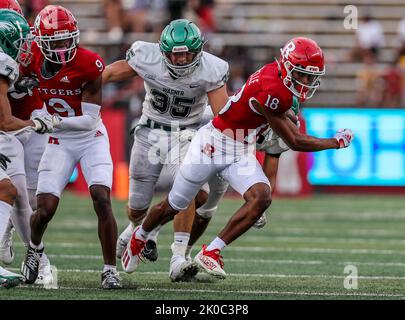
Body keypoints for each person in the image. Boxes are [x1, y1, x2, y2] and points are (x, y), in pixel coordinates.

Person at [121, 37, 354, 279]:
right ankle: (140, 235)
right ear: (286, 66)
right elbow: (295, 140)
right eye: (302, 75)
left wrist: (285, 117)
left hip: (240, 148)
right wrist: (335, 142)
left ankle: (211, 252)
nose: (306, 82)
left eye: (310, 76)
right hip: (213, 143)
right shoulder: (274, 90)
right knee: (174, 204)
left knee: (261, 196)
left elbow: (275, 147)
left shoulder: (280, 85)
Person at [102, 19, 229, 281]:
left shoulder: (211, 69)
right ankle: (136, 230)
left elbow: (223, 116)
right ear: (163, 51)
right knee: (136, 208)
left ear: (198, 51)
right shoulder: (146, 56)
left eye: (186, 54)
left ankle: (178, 258)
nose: (181, 59)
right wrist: (80, 85)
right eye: (175, 53)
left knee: (190, 190)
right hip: (150, 132)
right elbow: (109, 74)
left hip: (186, 133)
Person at [20, 5, 121, 289]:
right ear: (41, 42)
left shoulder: (89, 63)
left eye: (68, 39)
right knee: (45, 209)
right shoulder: (29, 59)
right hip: (58, 142)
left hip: (90, 139)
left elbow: (89, 121)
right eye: (56, 42)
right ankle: (34, 249)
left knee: (101, 197)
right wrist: (35, 110)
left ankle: (110, 270)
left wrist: (49, 121)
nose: (64, 47)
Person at [0, 0, 53, 286]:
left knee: (30, 197)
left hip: (28, 120)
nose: (26, 39)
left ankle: (7, 228)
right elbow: (4, 120)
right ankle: (38, 257)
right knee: (16, 193)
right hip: (9, 127)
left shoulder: (29, 49)